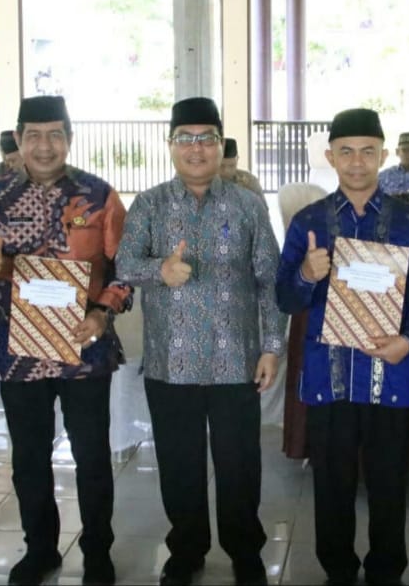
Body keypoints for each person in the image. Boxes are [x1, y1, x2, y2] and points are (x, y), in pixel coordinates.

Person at [0, 96, 132, 586]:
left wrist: (103, 311)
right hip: (20, 352)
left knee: (92, 456)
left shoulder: (99, 196)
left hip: (85, 347)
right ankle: (40, 549)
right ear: (18, 140)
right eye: (33, 135)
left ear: (69, 139)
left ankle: (97, 550)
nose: (45, 145)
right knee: (29, 457)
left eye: (55, 134)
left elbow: (126, 266)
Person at [115, 97, 285, 586]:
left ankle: (245, 550)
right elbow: (124, 264)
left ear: (220, 144)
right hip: (171, 364)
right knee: (179, 464)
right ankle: (186, 550)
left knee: (239, 464)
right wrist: (159, 270)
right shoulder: (149, 204)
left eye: (206, 139)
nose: (196, 148)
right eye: (185, 139)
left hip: (237, 360)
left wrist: (272, 346)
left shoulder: (248, 205)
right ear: (170, 145)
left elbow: (269, 279)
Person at [275, 108, 409, 586]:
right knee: (332, 485)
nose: (356, 161)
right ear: (330, 157)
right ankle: (339, 571)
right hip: (329, 375)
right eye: (345, 151)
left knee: (389, 483)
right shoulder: (309, 222)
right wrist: (306, 274)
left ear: (384, 156)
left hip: (391, 372)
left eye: (368, 151)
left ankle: (387, 571)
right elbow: (285, 298)